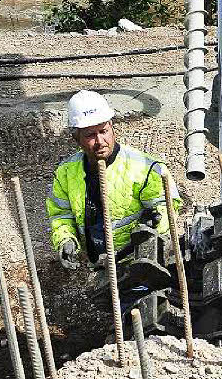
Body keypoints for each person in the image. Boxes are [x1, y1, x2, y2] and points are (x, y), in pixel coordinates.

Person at [47, 90, 180, 270]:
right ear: (76, 138)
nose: (100, 141)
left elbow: (167, 207)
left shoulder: (145, 167)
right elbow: (61, 215)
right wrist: (65, 240)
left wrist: (154, 223)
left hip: (137, 261)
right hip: (97, 263)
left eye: (103, 131)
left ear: (112, 127)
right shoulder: (66, 172)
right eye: (90, 135)